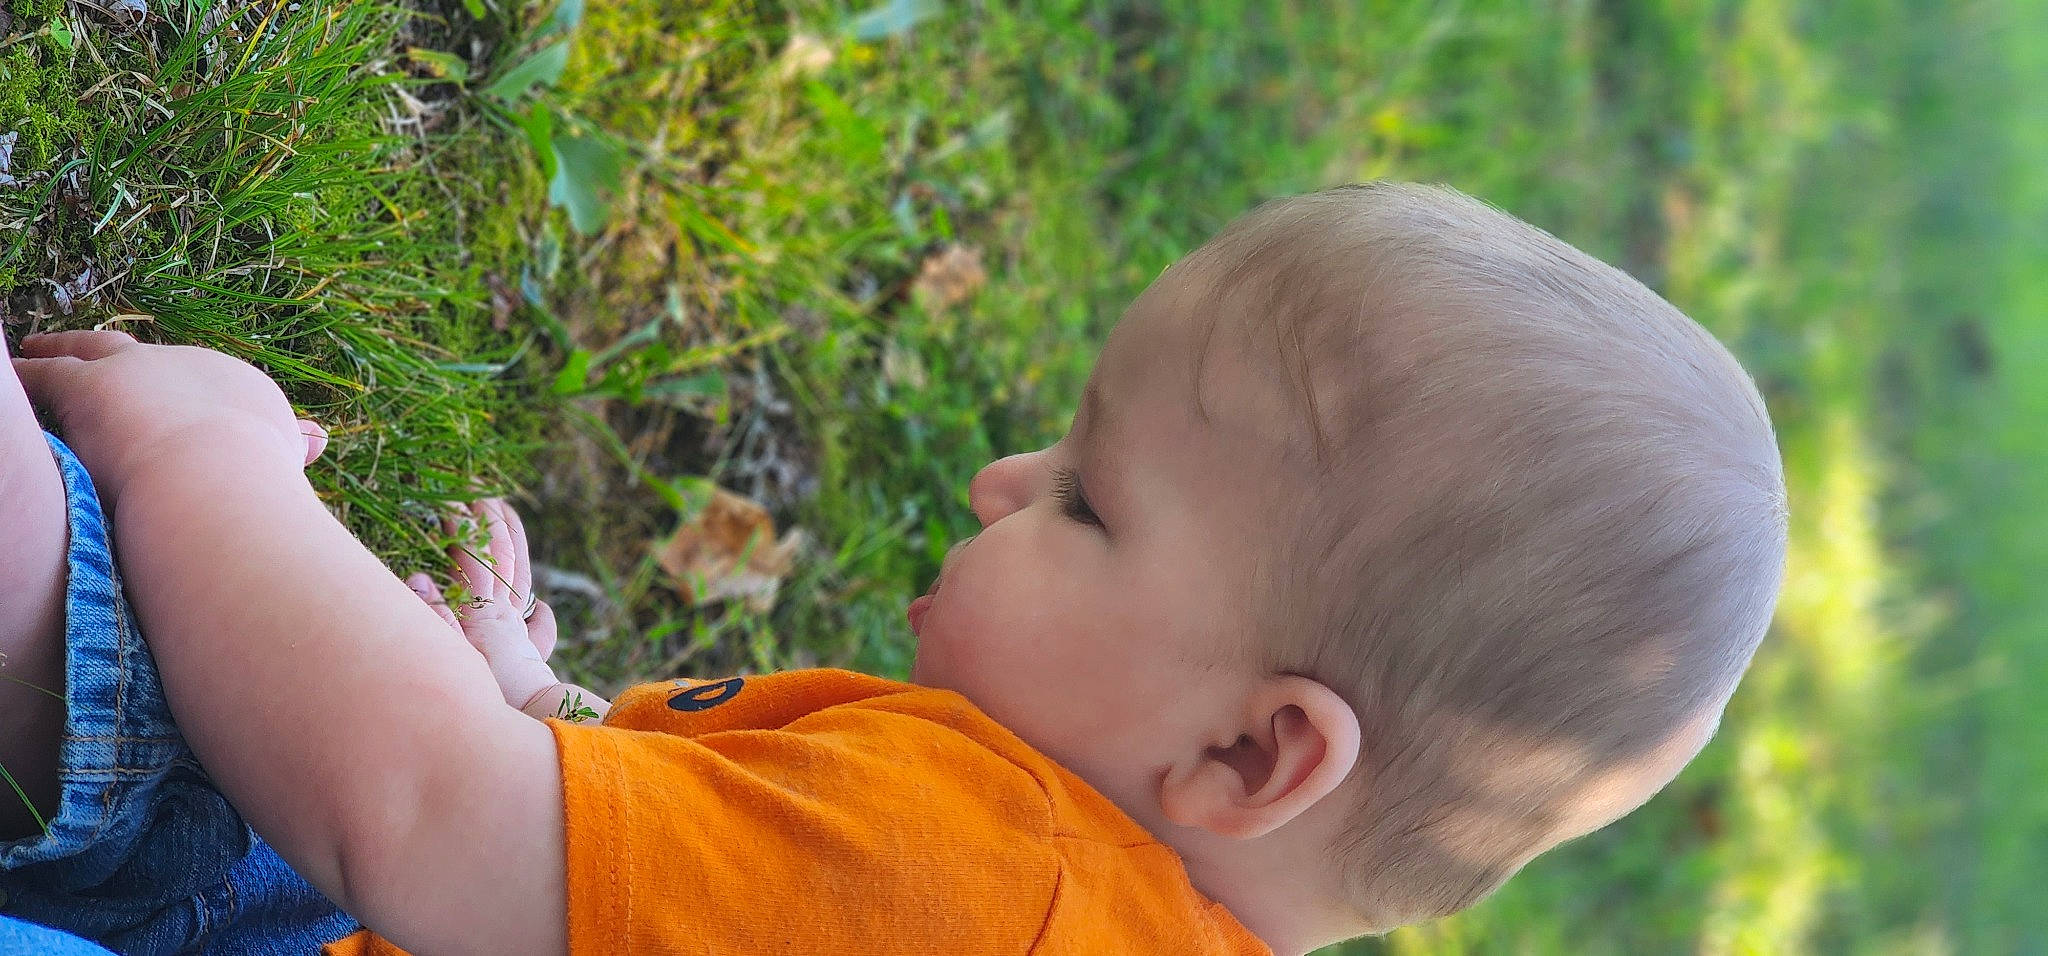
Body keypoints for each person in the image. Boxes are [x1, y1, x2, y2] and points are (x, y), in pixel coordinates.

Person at [0, 182, 1788, 955]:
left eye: (1089, 504)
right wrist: (542, 711)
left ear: (1253, 756)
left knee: (80, 570)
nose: (1009, 480)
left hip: (329, 910)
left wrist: (207, 459)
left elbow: (407, 811)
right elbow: (692, 903)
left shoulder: (984, 885)